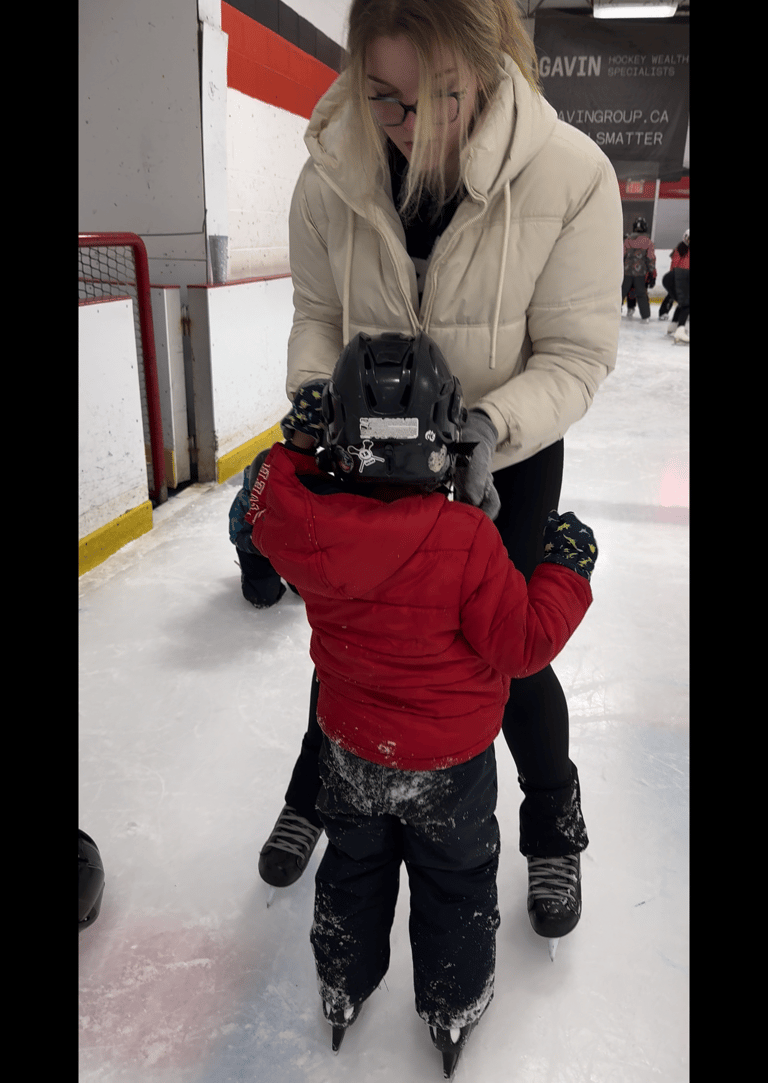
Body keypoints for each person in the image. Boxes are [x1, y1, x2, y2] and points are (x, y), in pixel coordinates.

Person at [256, 0, 622, 957]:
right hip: (371, 453)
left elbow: (576, 356)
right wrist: (312, 396)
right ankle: (318, 787)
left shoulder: (571, 174)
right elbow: (315, 314)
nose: (413, 128)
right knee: (357, 633)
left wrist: (486, 428)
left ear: (491, 63)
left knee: (510, 652)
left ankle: (551, 819)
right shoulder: (328, 169)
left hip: (504, 451)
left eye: (444, 98)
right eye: (385, 100)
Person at [247, 330, 597, 1070]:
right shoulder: (470, 539)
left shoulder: (305, 525)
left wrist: (302, 443)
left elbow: (265, 501)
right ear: (447, 434)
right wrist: (565, 570)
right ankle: (451, 1002)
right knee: (456, 887)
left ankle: (342, 980)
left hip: (350, 753)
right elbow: (521, 646)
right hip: (452, 769)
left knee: (353, 868)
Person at [621, 216, 656, 322]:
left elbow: (622, 255)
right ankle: (645, 316)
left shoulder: (627, 240)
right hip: (640, 273)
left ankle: (614, 311)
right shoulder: (648, 242)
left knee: (621, 292)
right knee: (641, 294)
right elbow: (651, 258)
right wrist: (651, 272)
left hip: (626, 272)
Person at [665, 228, 689, 344]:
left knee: (683, 303)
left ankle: (674, 325)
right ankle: (680, 329)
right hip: (679, 278)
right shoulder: (680, 249)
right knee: (687, 303)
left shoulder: (682, 249)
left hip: (679, 278)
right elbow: (674, 264)